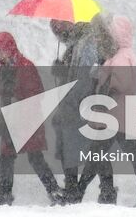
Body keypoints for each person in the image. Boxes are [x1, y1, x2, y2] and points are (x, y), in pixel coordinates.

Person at [0, 31, 64, 206]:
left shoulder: (25, 66)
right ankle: (4, 196)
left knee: (35, 157)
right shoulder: (5, 68)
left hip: (28, 120)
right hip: (11, 120)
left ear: (9, 48)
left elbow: (36, 95)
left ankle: (54, 191)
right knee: (6, 157)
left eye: (1, 50)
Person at [89, 13, 136, 206]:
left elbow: (122, 83)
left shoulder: (121, 56)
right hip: (119, 113)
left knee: (101, 153)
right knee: (130, 154)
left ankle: (107, 192)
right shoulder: (121, 55)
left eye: (111, 31)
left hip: (117, 112)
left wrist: (103, 79)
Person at [49, 18, 114, 203]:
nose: (57, 35)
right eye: (54, 31)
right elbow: (72, 73)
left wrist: (75, 100)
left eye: (58, 30)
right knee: (89, 147)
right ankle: (92, 190)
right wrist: (60, 69)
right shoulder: (76, 45)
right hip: (79, 102)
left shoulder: (86, 43)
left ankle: (77, 190)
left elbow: (85, 76)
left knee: (88, 147)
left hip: (82, 103)